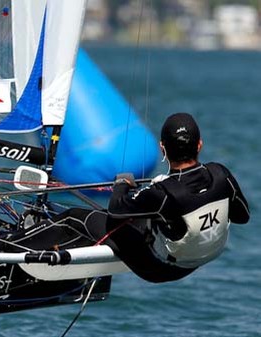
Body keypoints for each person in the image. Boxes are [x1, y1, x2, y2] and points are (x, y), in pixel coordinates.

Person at [105, 112, 250, 282]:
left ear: (162, 148)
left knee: (82, 218)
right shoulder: (221, 174)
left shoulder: (161, 193)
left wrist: (121, 184)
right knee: (155, 216)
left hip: (162, 268)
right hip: (205, 258)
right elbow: (242, 217)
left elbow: (115, 208)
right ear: (199, 145)